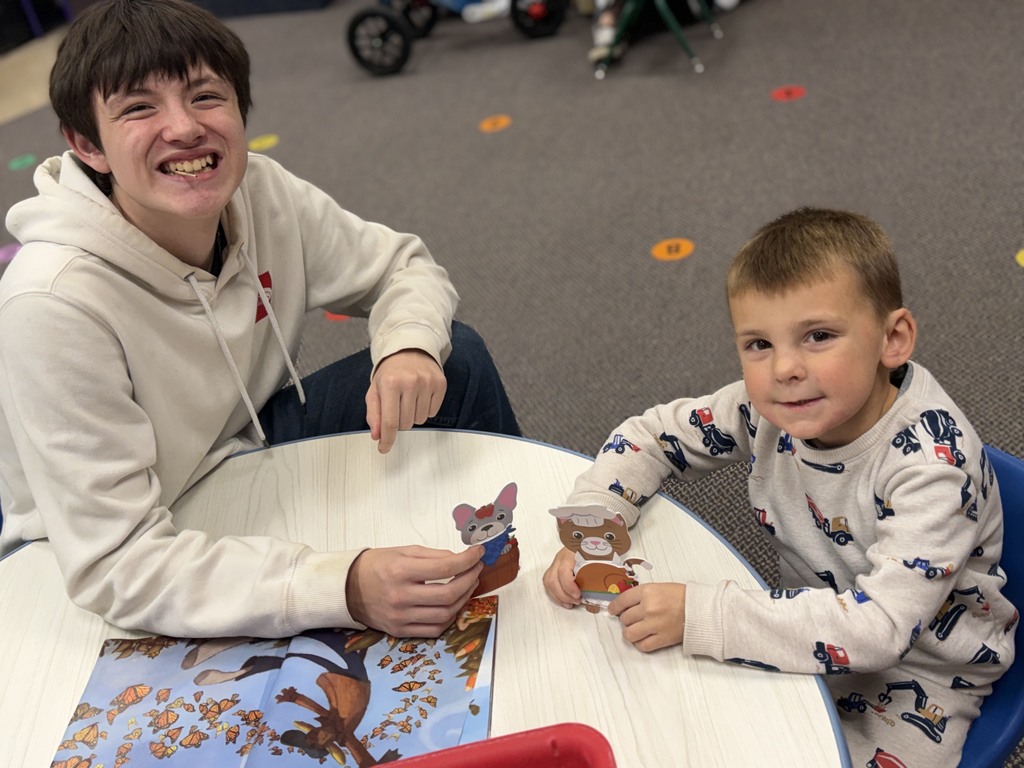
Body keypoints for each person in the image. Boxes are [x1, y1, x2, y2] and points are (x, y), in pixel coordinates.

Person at [0, 0, 521, 641]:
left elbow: (403, 268)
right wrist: (343, 586)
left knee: (453, 358)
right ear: (87, 145)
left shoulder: (261, 192)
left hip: (240, 446)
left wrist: (405, 347)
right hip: (99, 548)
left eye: (205, 96)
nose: (184, 128)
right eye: (139, 108)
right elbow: (118, 563)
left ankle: (517, 563)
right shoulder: (51, 303)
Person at [543, 207, 1015, 766]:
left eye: (818, 336)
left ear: (893, 338)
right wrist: (594, 526)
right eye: (758, 344)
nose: (784, 368)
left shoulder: (932, 465)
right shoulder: (772, 407)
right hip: (802, 620)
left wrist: (706, 618)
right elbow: (653, 436)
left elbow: (882, 628)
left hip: (921, 676)